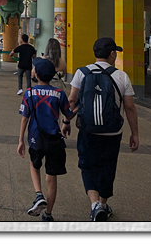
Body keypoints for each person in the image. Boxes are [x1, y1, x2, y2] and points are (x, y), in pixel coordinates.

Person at [62, 37, 139, 222]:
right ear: (112, 54)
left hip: (88, 130)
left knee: (87, 165)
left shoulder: (81, 73)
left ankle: (94, 203)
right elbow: (129, 107)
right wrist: (134, 133)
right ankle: (103, 204)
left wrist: (66, 121)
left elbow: (72, 100)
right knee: (108, 166)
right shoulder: (122, 76)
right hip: (112, 132)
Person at [18, 58, 74, 222]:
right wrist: (76, 110)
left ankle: (38, 194)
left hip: (36, 138)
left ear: (36, 74)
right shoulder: (59, 93)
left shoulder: (29, 93)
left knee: (34, 165)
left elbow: (24, 118)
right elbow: (69, 114)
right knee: (51, 177)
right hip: (54, 139)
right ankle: (48, 214)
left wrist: (21, 140)